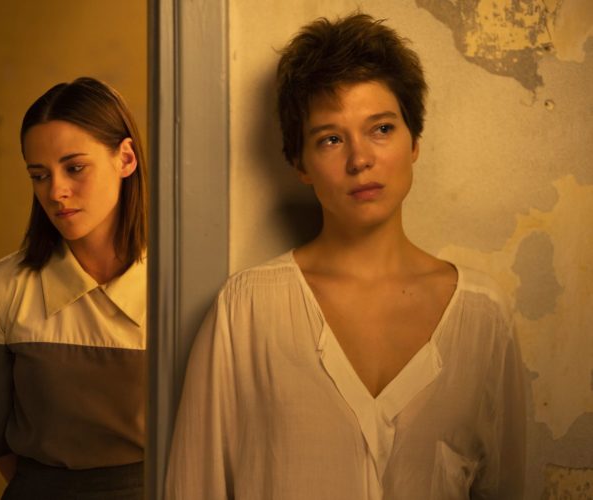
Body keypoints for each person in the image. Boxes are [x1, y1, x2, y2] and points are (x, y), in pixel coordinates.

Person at [166, 13, 525, 500]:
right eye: (331, 139)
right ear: (301, 164)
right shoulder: (246, 311)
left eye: (381, 129)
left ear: (414, 142)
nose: (360, 159)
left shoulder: (483, 316)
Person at [0, 77, 148, 499]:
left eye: (75, 168)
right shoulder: (2, 288)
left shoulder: (180, 288)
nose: (56, 192)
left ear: (125, 158)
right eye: (39, 175)